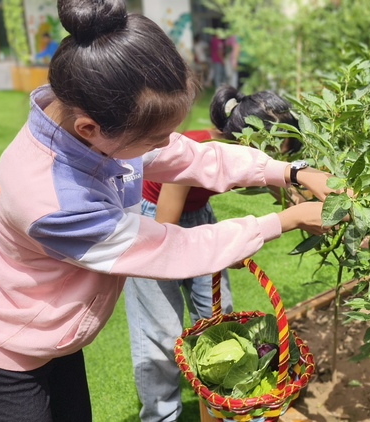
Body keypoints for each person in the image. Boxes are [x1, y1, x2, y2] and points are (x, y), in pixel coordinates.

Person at [0, 1, 338, 421]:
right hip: (5, 352)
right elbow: (171, 248)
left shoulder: (81, 113)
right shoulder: (51, 201)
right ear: (90, 128)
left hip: (49, 341)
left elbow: (191, 157)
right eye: (154, 138)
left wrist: (290, 171)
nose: (166, 145)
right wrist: (286, 220)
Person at [125, 85, 301, 422]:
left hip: (198, 217)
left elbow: (287, 192)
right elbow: (166, 236)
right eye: (275, 152)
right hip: (156, 225)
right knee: (160, 332)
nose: (278, 161)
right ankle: (161, 416)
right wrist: (221, 246)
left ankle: (228, 405)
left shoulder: (242, 149)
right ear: (247, 141)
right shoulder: (195, 151)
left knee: (218, 317)